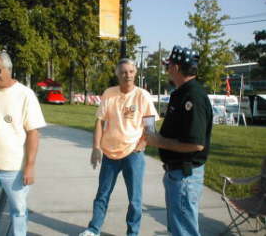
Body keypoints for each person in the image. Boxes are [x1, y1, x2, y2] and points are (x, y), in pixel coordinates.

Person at [0, 50, 46, 236]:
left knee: (18, 212)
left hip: (15, 168)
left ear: (8, 69)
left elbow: (33, 133)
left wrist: (29, 166)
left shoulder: (25, 95)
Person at [79, 58, 159, 236]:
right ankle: (94, 229)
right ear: (117, 74)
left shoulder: (142, 96)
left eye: (130, 71)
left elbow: (150, 126)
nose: (127, 75)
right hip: (109, 153)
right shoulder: (109, 93)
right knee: (102, 194)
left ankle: (132, 232)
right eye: (123, 72)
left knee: (135, 200)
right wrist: (96, 148)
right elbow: (99, 121)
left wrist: (142, 144)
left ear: (135, 72)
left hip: (133, 154)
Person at [146, 45, 213, 236]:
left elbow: (195, 143)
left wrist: (159, 142)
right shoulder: (181, 93)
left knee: (184, 230)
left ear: (176, 68)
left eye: (168, 65)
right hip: (177, 174)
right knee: (178, 228)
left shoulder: (193, 97)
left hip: (185, 175)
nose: (167, 69)